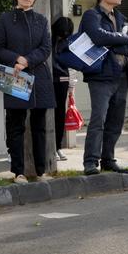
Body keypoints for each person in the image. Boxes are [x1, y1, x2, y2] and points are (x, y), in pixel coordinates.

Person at [0, 0, 56, 183]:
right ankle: (18, 172)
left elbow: (46, 48)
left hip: (40, 77)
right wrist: (16, 60)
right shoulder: (5, 19)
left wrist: (27, 60)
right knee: (16, 125)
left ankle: (40, 171)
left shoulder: (41, 20)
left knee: (39, 126)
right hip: (15, 75)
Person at [81, 0, 128, 176]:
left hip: (121, 75)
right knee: (99, 119)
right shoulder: (91, 15)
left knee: (116, 121)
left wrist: (118, 40)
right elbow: (97, 37)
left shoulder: (119, 16)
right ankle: (90, 162)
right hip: (101, 76)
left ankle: (108, 160)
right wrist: (122, 39)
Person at [51, 16, 75, 161]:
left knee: (59, 114)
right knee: (58, 114)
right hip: (61, 80)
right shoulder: (63, 42)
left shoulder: (63, 43)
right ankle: (56, 147)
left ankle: (57, 147)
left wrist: (71, 85)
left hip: (59, 80)